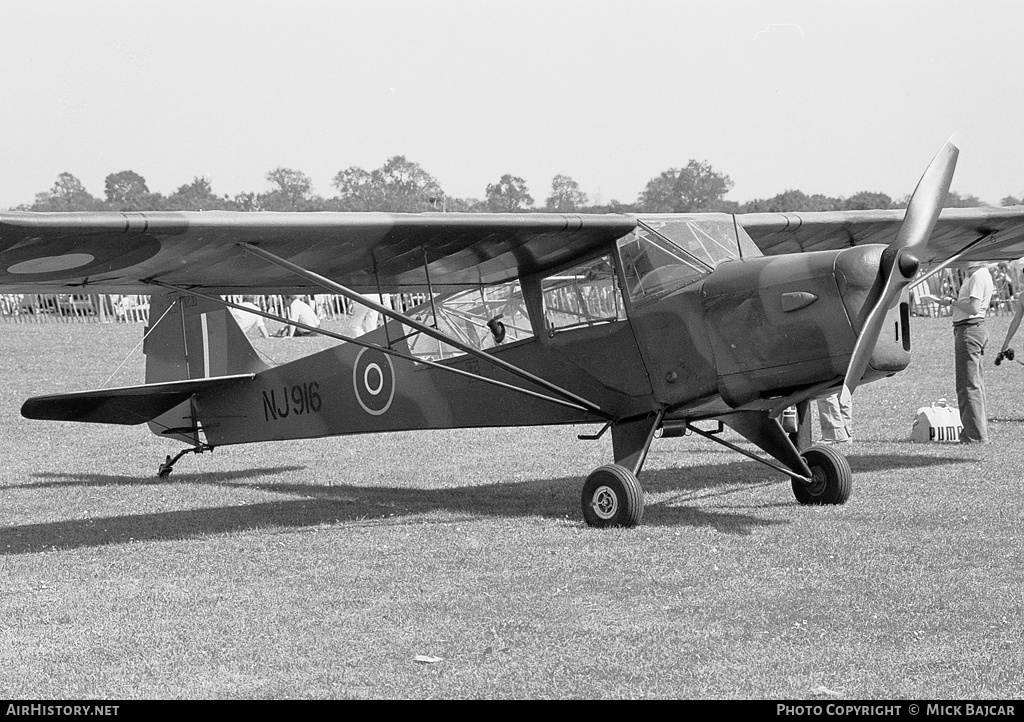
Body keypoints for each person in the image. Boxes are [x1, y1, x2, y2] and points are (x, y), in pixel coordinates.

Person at [931, 261, 996, 443]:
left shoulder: (977, 276)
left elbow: (974, 308)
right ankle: (974, 432)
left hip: (969, 329)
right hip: (972, 328)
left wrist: (952, 302)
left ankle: (974, 436)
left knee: (968, 385)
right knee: (973, 384)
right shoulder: (978, 274)